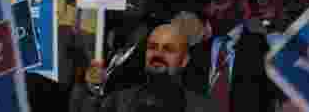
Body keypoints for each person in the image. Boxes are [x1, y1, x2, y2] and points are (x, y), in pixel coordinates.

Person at [75, 24, 216, 112]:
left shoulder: (202, 108)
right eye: (152, 47)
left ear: (184, 61)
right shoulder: (118, 102)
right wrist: (92, 90)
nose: (158, 54)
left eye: (168, 49)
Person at [183, 0, 270, 112]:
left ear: (241, 2)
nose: (211, 10)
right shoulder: (194, 54)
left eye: (219, 1)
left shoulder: (263, 48)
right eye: (207, 3)